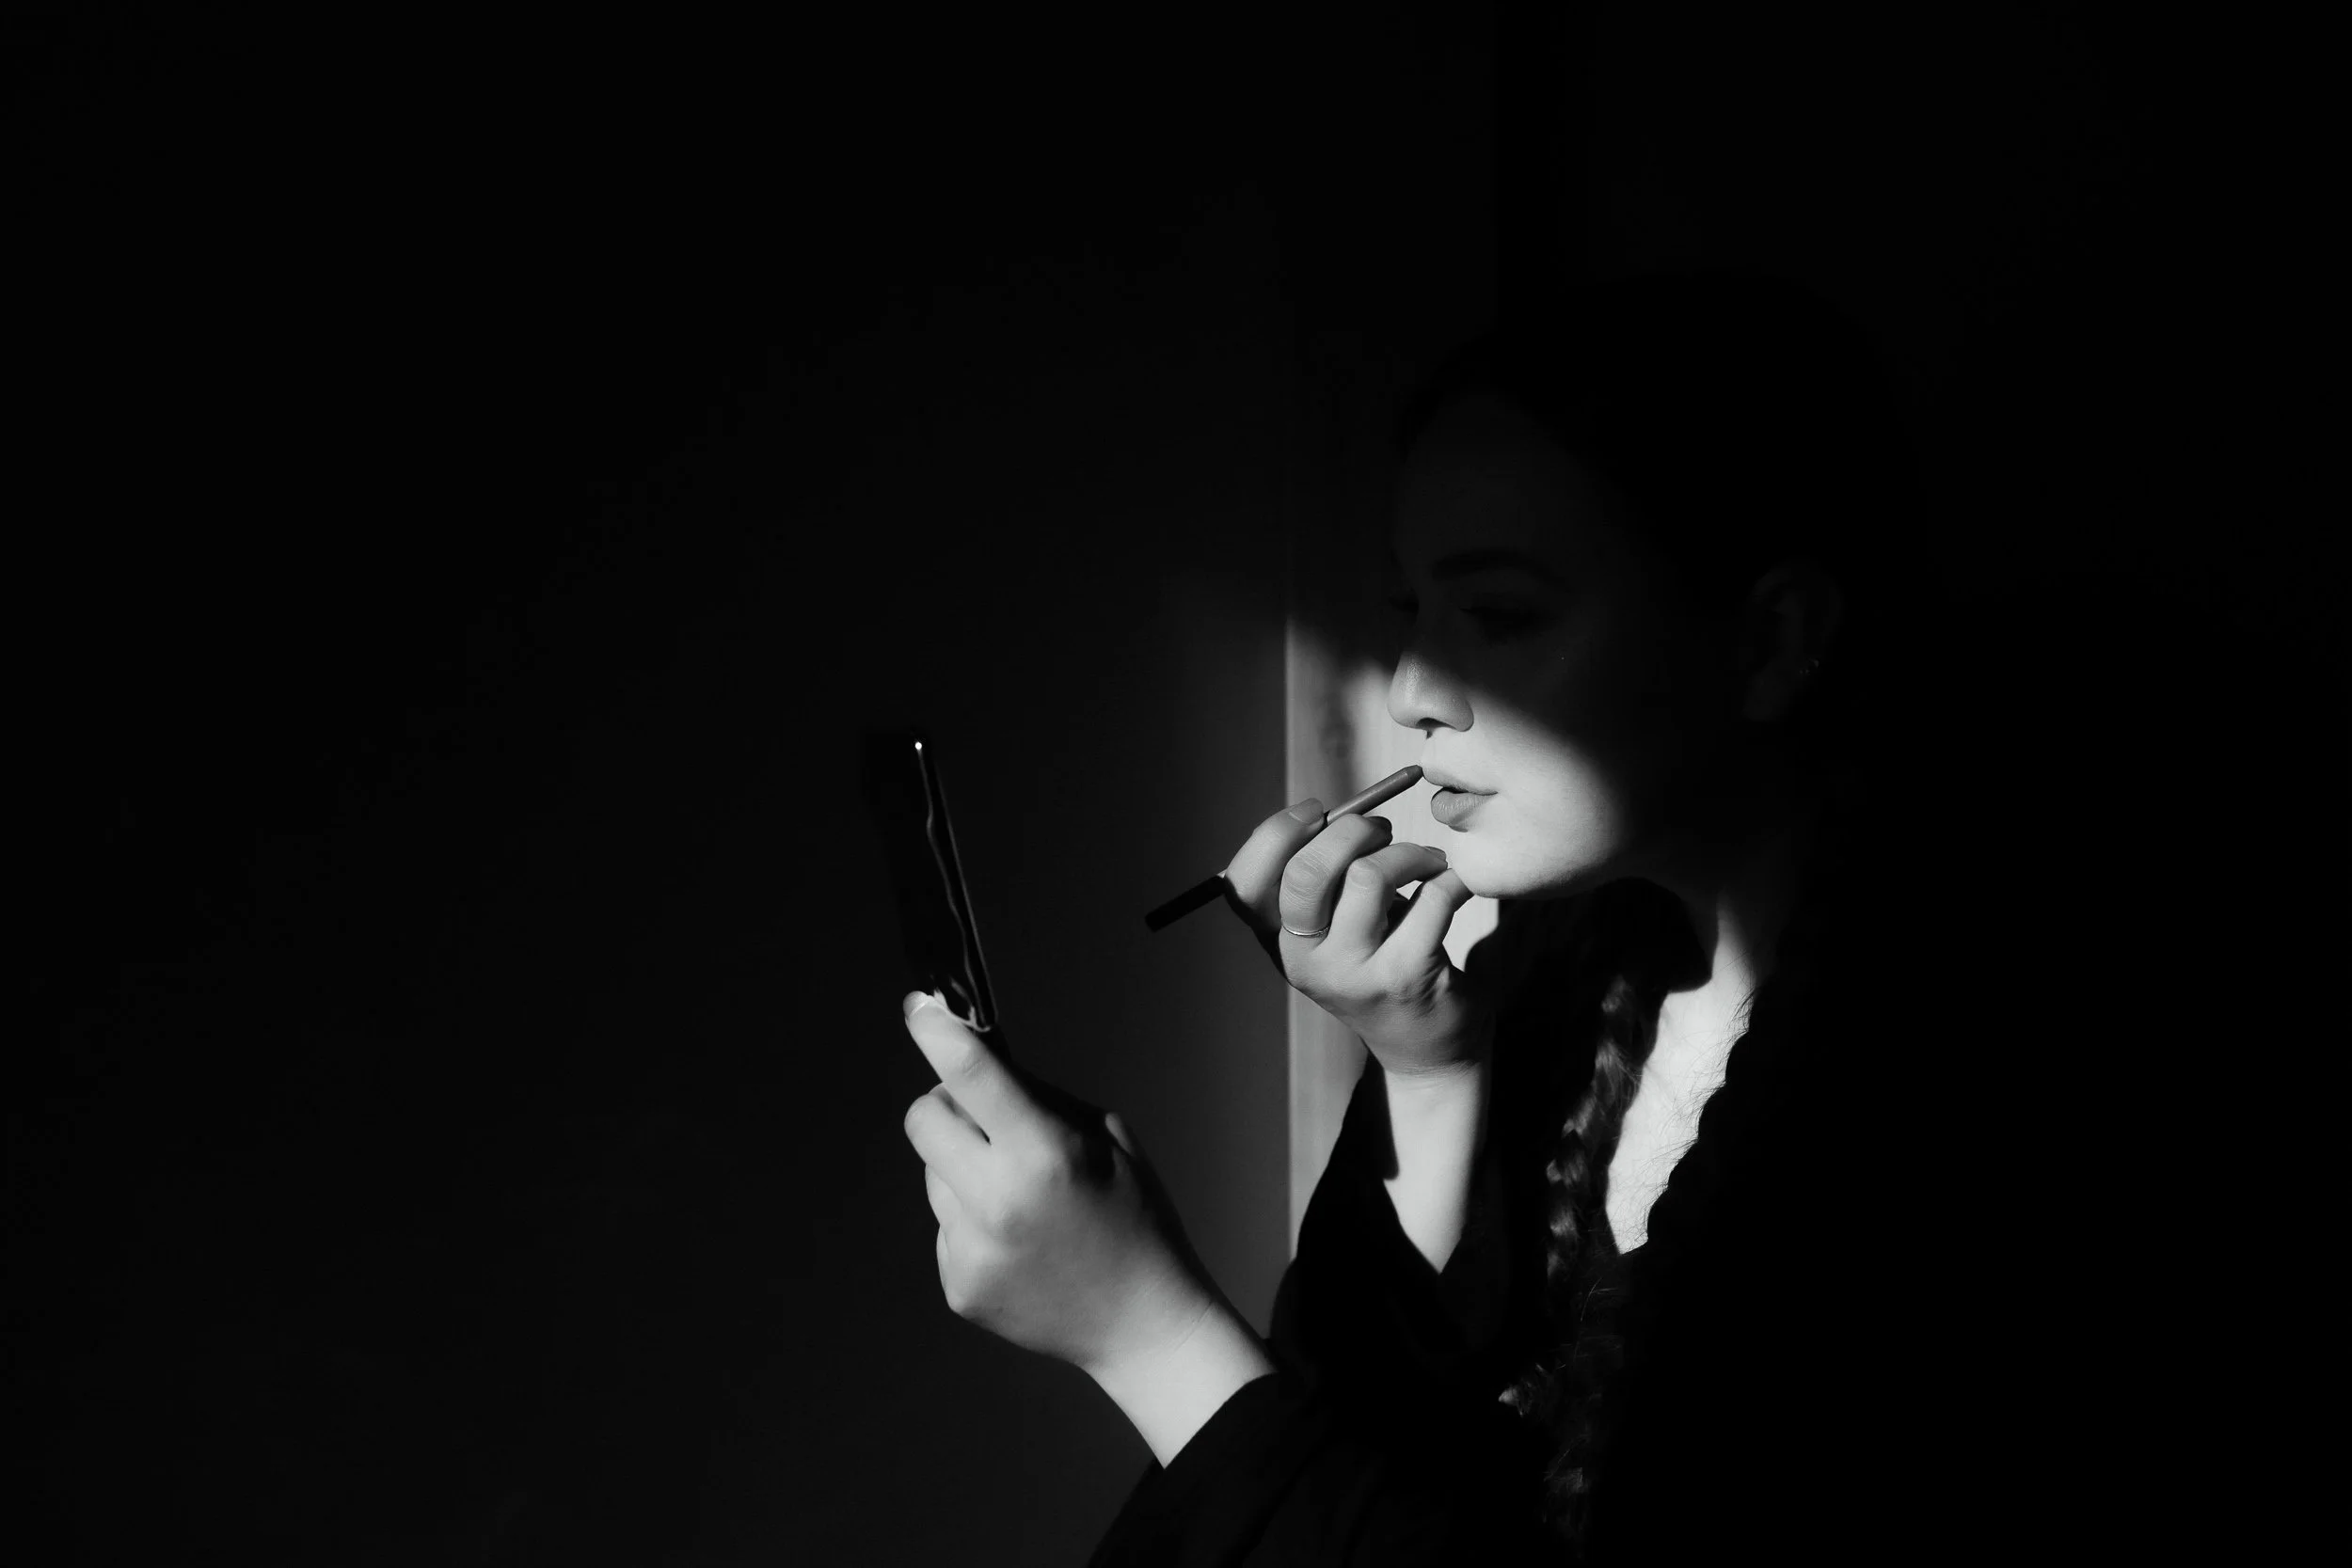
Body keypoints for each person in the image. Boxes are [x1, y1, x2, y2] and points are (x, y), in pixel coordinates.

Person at [897, 272, 2339, 1562]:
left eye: (1502, 615)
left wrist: (1143, 1333)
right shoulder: (1585, 981)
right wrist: (1427, 1069)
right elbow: (1382, 1445)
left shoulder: (1970, 1092)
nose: (1411, 689)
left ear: (1770, 640)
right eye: (1411, 607)